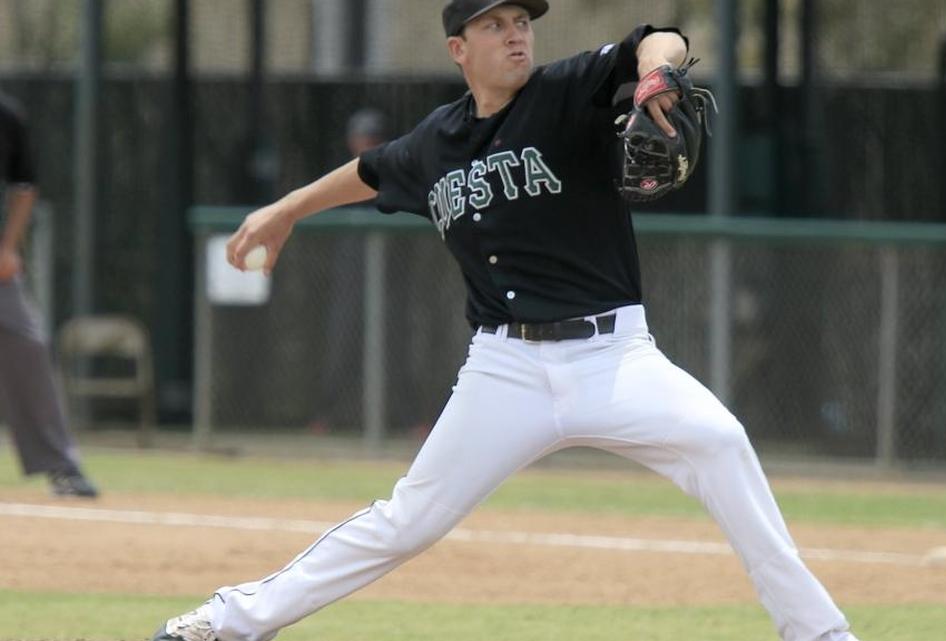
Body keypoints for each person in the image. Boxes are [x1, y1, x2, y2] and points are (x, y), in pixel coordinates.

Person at [151, 2, 859, 640]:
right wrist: (284, 211)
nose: (516, 34)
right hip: (504, 368)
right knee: (407, 520)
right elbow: (371, 171)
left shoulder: (568, 91)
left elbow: (660, 38)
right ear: (458, 49)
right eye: (495, 24)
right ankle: (232, 621)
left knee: (721, 443)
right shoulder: (437, 141)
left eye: (522, 21)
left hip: (613, 355)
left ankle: (819, 632)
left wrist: (655, 75)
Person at [0, 90, 99, 499]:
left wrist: (9, 247)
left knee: (28, 345)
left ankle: (61, 464)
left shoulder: (6, 115)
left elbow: (24, 185)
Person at [306, 108, 387, 436]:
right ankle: (325, 415)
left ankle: (409, 419)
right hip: (349, 276)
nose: (366, 144)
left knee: (393, 344)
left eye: (372, 139)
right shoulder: (339, 177)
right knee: (341, 344)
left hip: (388, 279)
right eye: (361, 138)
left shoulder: (392, 173)